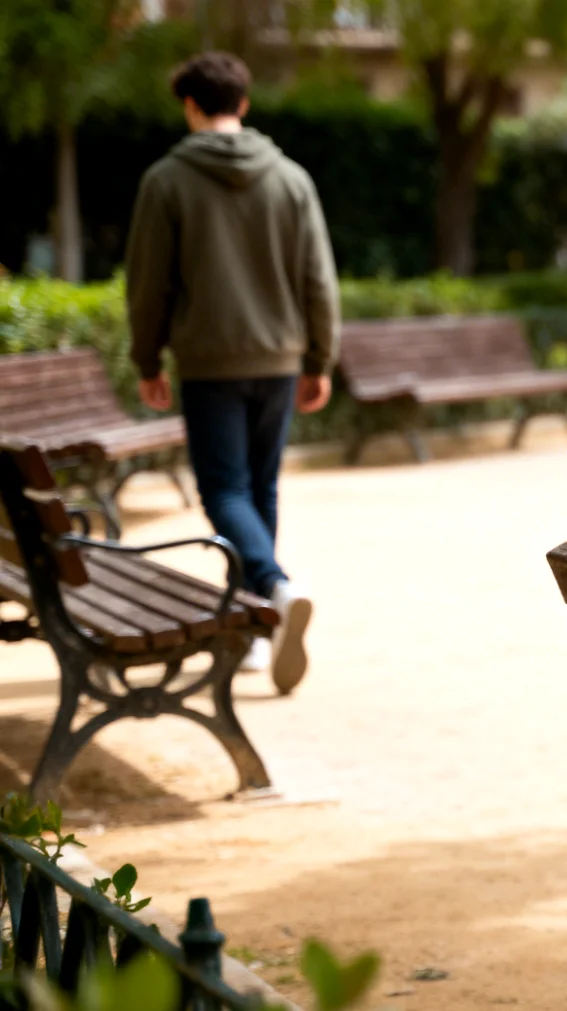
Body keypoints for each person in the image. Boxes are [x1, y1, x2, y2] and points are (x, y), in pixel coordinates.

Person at [125, 51, 338, 694]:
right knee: (259, 490)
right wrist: (319, 359)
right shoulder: (292, 179)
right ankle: (254, 630)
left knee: (224, 492)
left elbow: (149, 284)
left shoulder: (166, 180)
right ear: (243, 104)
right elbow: (318, 279)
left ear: (190, 106)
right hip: (278, 361)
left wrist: (147, 359)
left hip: (209, 362)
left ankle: (273, 590)